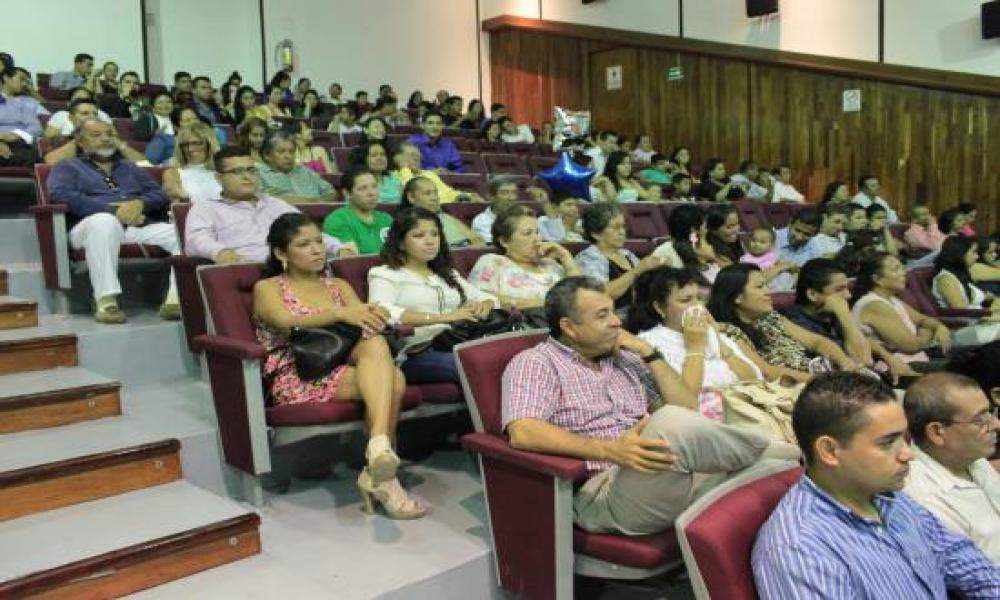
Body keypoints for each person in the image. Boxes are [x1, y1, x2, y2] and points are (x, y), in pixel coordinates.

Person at [504, 276, 797, 535]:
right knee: (669, 421)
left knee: (773, 469)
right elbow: (524, 432)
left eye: (613, 311)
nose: (617, 321)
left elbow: (687, 405)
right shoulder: (536, 362)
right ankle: (795, 451)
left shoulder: (626, 356)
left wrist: (650, 353)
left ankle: (785, 455)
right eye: (603, 315)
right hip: (603, 492)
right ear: (569, 327)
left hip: (663, 474)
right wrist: (610, 450)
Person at [752, 372, 1000, 598]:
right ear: (830, 451)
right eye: (887, 442)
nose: (908, 454)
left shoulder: (890, 497)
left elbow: (966, 563)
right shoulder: (800, 550)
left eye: (904, 439)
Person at [253, 213, 424, 519]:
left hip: (342, 362)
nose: (317, 249)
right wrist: (340, 314)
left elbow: (363, 322)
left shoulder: (339, 285)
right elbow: (285, 322)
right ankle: (382, 471)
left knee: (374, 343)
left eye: (319, 241)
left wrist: (373, 315)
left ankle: (379, 453)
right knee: (394, 380)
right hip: (298, 372)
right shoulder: (268, 287)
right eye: (304, 244)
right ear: (281, 253)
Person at [47, 120, 180, 323]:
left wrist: (139, 204)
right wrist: (114, 211)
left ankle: (176, 299)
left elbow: (159, 194)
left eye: (109, 134)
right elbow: (60, 194)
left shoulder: (128, 167)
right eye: (96, 135)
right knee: (104, 222)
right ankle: (106, 300)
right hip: (88, 227)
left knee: (182, 233)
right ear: (81, 142)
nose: (105, 138)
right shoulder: (68, 166)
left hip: (134, 225)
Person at [368, 207, 495, 383]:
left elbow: (486, 298)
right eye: (419, 235)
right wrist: (445, 317)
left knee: (499, 359)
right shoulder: (385, 274)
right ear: (400, 243)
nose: (430, 241)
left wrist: (484, 306)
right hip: (417, 353)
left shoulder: (446, 273)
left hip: (460, 341)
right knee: (475, 366)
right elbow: (383, 311)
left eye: (434, 234)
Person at [629, 266, 767, 421]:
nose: (697, 306)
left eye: (700, 299)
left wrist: (720, 342)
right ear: (660, 307)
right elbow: (687, 402)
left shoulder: (710, 331)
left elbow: (755, 380)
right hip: (710, 421)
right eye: (686, 300)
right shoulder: (650, 342)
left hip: (748, 408)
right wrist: (695, 347)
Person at [185, 148, 353, 264]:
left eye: (251, 170)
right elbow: (196, 240)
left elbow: (309, 232)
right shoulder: (206, 208)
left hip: (293, 268)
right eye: (237, 172)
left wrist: (339, 248)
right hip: (247, 269)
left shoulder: (276, 204)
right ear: (219, 178)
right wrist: (221, 252)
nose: (247, 177)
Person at [902, 373, 1000, 564]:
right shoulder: (925, 499)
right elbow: (972, 579)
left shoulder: (971, 459)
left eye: (991, 413)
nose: (996, 424)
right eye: (980, 420)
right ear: (937, 432)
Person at [708, 263, 859, 376]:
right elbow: (767, 372)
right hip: (793, 388)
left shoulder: (769, 317)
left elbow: (816, 341)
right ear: (737, 297)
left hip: (817, 375)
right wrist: (820, 381)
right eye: (760, 287)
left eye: (766, 285)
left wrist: (844, 362)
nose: (768, 292)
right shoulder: (728, 332)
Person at [783, 258, 917, 383]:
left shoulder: (828, 314)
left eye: (847, 288)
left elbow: (866, 342)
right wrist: (844, 315)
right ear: (812, 294)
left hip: (874, 376)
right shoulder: (794, 322)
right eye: (839, 289)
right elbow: (864, 360)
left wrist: (888, 357)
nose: (848, 295)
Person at [469, 206, 580, 310]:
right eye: (528, 233)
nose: (537, 238)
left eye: (537, 232)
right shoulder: (492, 262)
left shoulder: (550, 264)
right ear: (504, 241)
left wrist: (565, 256)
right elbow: (480, 298)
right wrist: (548, 304)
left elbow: (582, 294)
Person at [851, 252, 951, 364]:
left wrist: (938, 326)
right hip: (901, 367)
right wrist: (930, 329)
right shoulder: (874, 305)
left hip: (920, 359)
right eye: (895, 270)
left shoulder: (892, 299)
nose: (904, 273)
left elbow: (923, 319)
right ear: (877, 279)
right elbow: (911, 346)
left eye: (902, 268)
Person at [575, 203, 665, 311]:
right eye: (615, 228)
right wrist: (638, 270)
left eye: (623, 226)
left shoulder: (627, 254)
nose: (622, 232)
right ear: (595, 233)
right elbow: (600, 294)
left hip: (637, 315)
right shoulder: (588, 258)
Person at [930, 236, 1000, 346]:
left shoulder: (962, 274)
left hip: (980, 322)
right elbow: (962, 312)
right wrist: (993, 316)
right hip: (962, 330)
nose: (977, 256)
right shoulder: (946, 279)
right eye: (974, 252)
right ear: (959, 253)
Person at [323, 168, 393, 255]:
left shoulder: (386, 218)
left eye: (374, 186)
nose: (371, 193)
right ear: (347, 193)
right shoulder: (337, 220)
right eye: (362, 188)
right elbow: (354, 260)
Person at [399, 176, 482, 247]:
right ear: (411, 197)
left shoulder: (446, 217)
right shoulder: (406, 223)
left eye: (435, 193)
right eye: (427, 193)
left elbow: (475, 239)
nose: (434, 198)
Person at [257, 130, 336, 204]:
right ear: (267, 155)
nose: (288, 156)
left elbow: (331, 193)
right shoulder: (258, 173)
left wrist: (318, 201)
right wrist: (308, 201)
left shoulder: (305, 171)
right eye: (281, 152)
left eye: (291, 152)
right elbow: (261, 198)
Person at [651, 204, 720, 285]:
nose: (707, 230)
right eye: (705, 227)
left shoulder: (704, 250)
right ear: (694, 230)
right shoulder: (666, 251)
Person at [394, 141, 480, 204]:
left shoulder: (429, 174)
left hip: (445, 209)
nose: (417, 158)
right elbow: (414, 192)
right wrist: (404, 168)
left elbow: (449, 192)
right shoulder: (394, 176)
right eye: (412, 155)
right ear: (398, 158)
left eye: (418, 155)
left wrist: (468, 196)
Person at [161, 124, 222, 204]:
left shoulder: (224, 169)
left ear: (209, 144)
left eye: (197, 143)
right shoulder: (172, 173)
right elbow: (176, 201)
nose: (190, 149)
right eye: (185, 145)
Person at [770, 207, 823, 291]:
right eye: (797, 230)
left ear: (815, 234)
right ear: (790, 223)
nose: (799, 237)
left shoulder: (815, 249)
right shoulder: (770, 239)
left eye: (807, 234)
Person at [0, 67, 42, 166]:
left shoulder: (27, 102)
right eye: (21, 79)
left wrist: (15, 135)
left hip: (18, 143)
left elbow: (36, 127)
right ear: (6, 78)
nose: (24, 84)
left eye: (26, 81)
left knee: (33, 155)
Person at [43, 87, 112, 138]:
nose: (82, 101)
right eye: (78, 99)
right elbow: (48, 138)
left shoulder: (101, 114)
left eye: (86, 99)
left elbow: (113, 135)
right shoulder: (61, 115)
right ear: (69, 103)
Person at [592, 151, 660, 202]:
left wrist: (654, 191)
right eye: (623, 163)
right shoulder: (604, 179)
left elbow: (646, 196)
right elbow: (612, 201)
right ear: (613, 165)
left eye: (629, 163)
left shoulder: (631, 181)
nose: (627, 166)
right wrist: (607, 182)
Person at [471, 176, 519, 243]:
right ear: (490, 197)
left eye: (514, 192)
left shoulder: (523, 217)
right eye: (504, 193)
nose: (511, 198)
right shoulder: (481, 221)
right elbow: (497, 245)